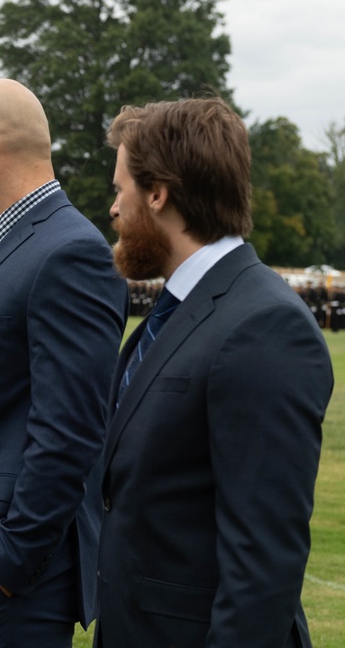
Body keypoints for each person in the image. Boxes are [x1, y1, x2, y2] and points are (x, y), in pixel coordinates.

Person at [95, 98, 334, 648]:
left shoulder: (265, 325)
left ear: (157, 193)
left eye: (119, 189)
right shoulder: (179, 307)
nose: (113, 208)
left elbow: (262, 566)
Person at [0, 78, 128, 646]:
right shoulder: (4, 244)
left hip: (11, 582)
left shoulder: (69, 251)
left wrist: (8, 567)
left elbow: (71, 431)